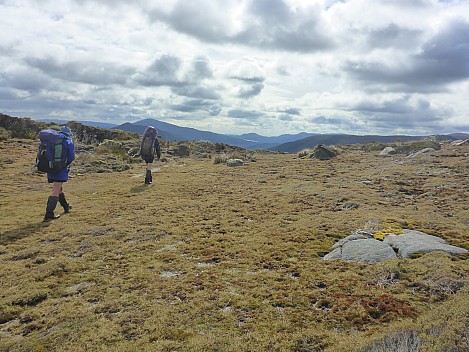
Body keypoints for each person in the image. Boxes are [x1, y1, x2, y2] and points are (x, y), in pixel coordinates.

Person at [43, 126, 75, 222]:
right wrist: (64, 165)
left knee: (59, 188)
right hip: (60, 169)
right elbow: (71, 157)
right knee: (56, 190)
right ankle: (49, 214)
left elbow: (47, 154)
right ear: (68, 134)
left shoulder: (51, 141)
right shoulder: (68, 142)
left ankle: (66, 206)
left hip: (51, 168)